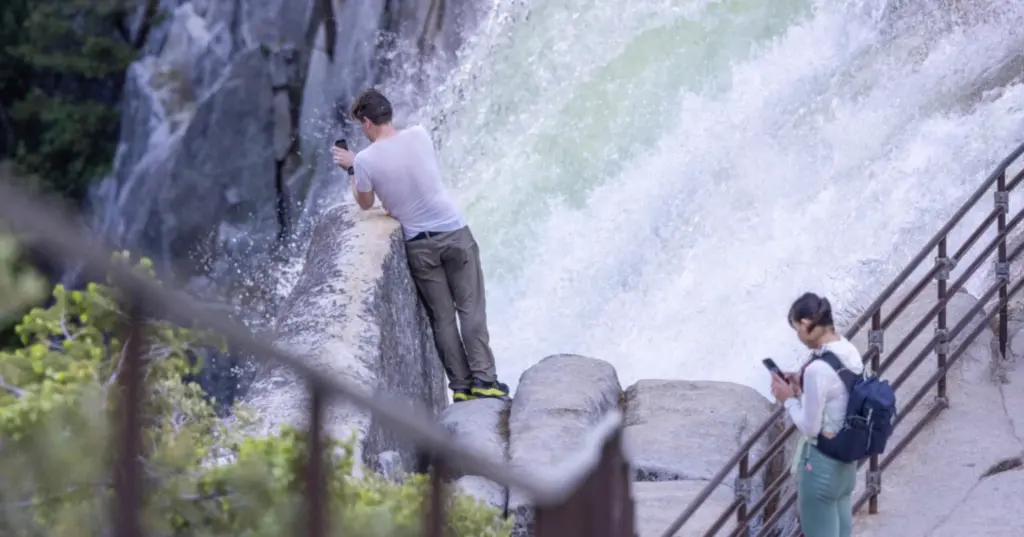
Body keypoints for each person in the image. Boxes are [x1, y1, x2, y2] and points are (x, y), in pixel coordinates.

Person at [330, 88, 509, 403]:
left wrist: (352, 167)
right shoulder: (420, 135)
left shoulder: (366, 161)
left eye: (362, 125)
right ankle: (486, 380)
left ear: (367, 122)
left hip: (420, 246)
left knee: (442, 319)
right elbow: (406, 165)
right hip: (454, 233)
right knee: (470, 309)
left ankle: (462, 388)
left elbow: (365, 201)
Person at [769, 292, 864, 537]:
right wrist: (801, 382)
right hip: (845, 464)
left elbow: (810, 427)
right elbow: (838, 391)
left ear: (805, 323)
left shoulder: (817, 369)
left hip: (821, 467)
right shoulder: (848, 350)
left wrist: (788, 399)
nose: (798, 337)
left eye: (796, 329)